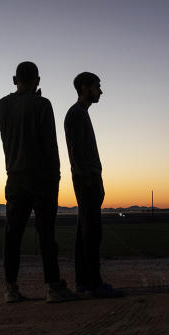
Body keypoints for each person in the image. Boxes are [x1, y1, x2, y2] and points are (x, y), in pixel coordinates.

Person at [0, 61, 77, 304]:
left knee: (13, 235)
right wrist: (56, 176)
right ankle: (53, 286)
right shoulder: (43, 105)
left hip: (15, 178)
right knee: (46, 234)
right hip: (42, 178)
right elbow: (50, 144)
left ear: (14, 79)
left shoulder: (1, 106)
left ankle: (11, 287)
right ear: (38, 80)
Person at [64, 72, 122, 298]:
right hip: (86, 179)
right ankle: (93, 283)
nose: (101, 91)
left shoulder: (80, 113)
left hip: (87, 177)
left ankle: (84, 282)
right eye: (98, 86)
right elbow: (76, 152)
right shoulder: (77, 114)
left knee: (85, 231)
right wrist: (89, 180)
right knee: (91, 232)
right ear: (85, 87)